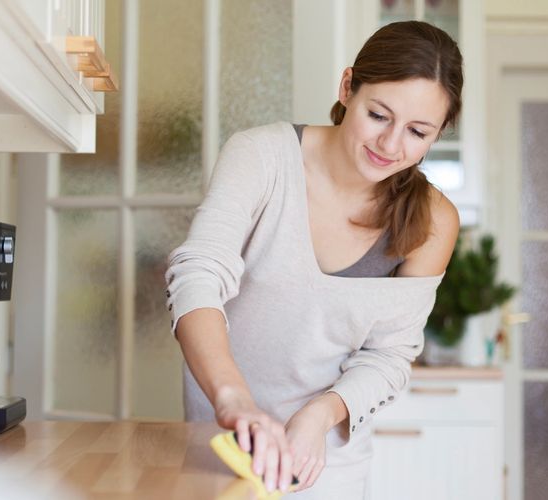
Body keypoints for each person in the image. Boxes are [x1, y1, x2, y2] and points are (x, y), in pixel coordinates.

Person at [165, 20, 461, 499]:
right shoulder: (262, 157)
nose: (390, 145)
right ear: (348, 88)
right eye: (379, 115)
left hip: (326, 465)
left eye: (417, 131)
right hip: (223, 447)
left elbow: (389, 355)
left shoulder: (432, 220)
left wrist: (321, 414)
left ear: (439, 132)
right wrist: (234, 401)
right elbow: (197, 276)